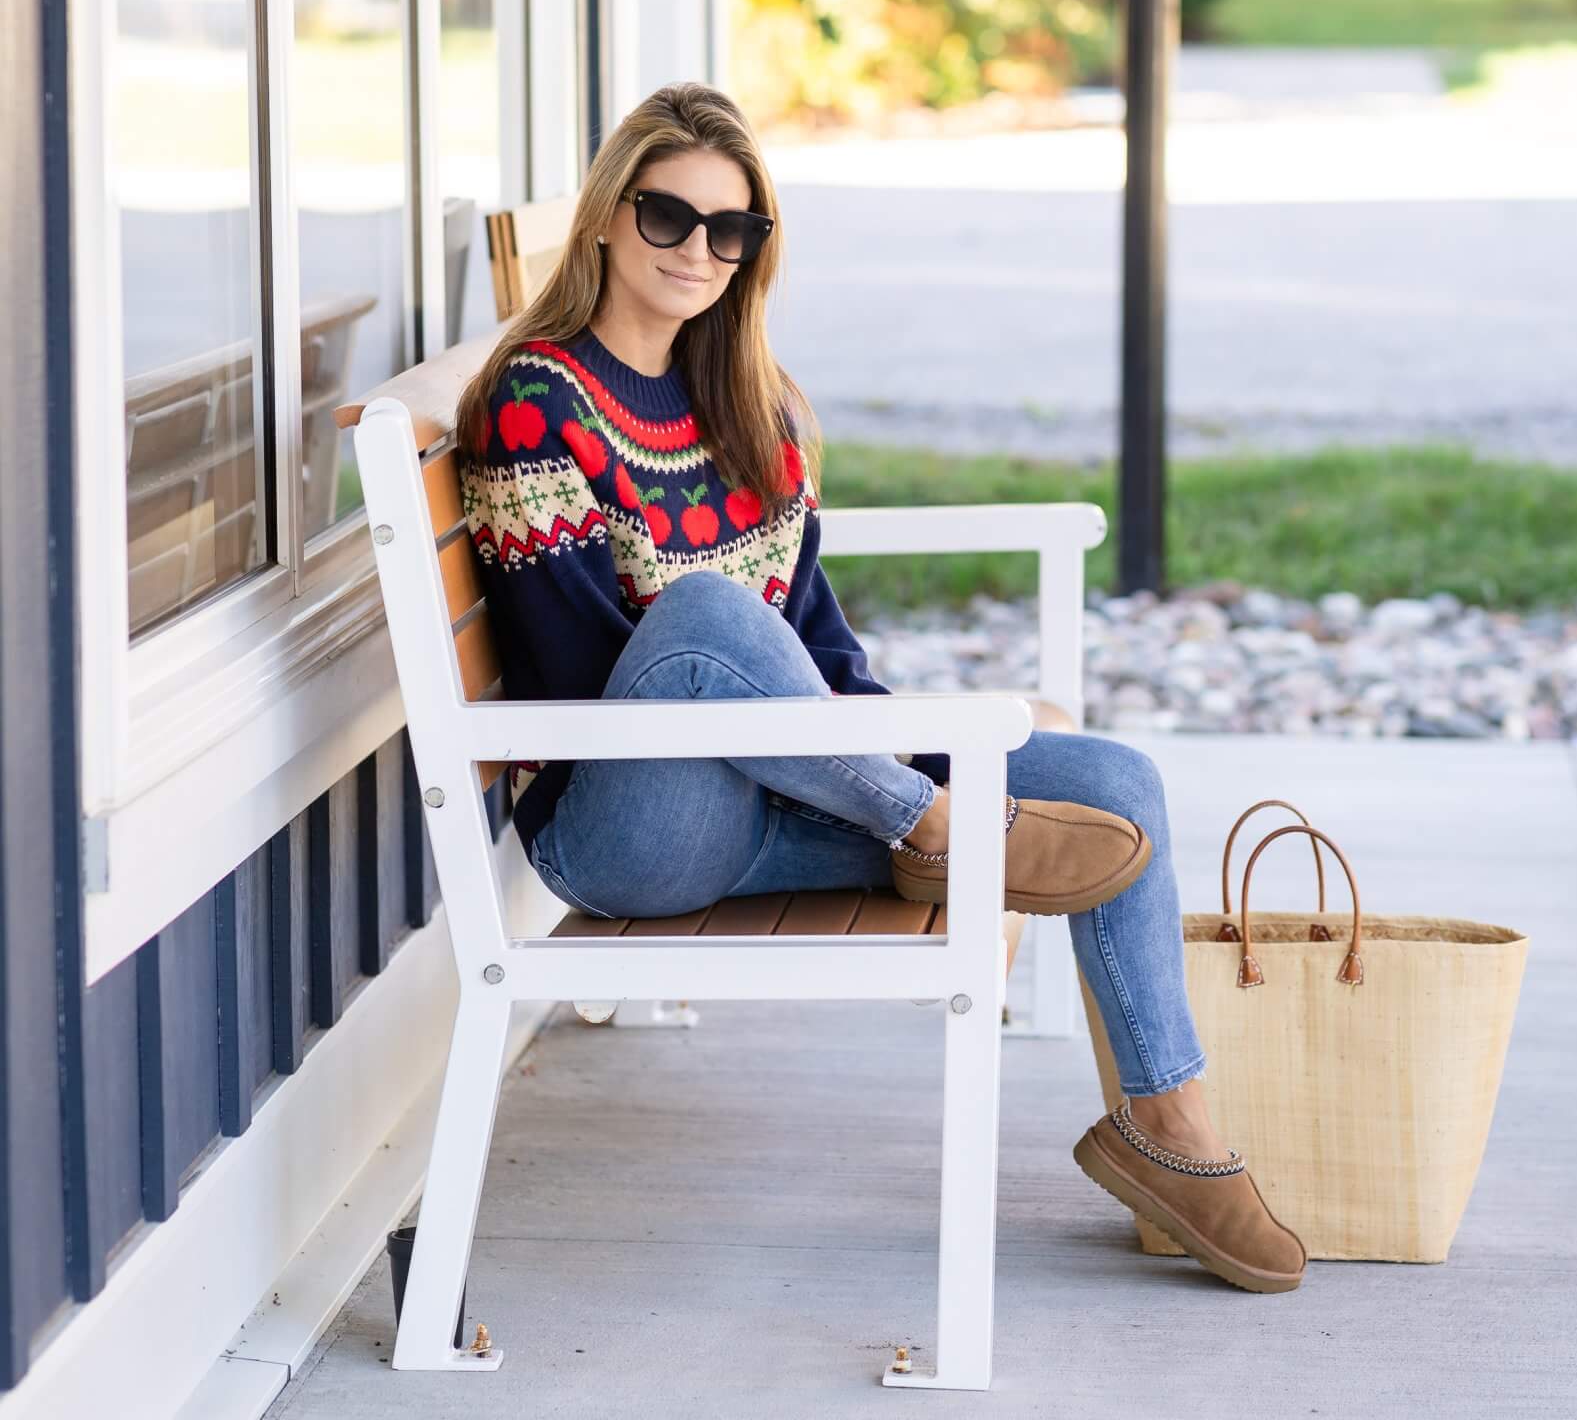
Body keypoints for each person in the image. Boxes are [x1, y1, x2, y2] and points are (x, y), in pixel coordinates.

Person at [454, 80, 1306, 1296]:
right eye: (667, 217)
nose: (700, 250)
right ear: (604, 220)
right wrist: (902, 786)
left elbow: (821, 649)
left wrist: (913, 749)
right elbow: (590, 679)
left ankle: (1171, 1128)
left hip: (783, 800)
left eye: (731, 229)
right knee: (706, 614)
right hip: (628, 823)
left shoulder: (752, 405)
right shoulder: (541, 402)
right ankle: (933, 826)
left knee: (1118, 782)